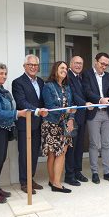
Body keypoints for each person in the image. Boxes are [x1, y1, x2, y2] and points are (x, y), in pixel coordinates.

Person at [0, 63, 27, 203]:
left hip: (3, 128)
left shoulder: (0, 89)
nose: (4, 76)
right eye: (1, 73)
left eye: (5, 74)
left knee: (0, 160)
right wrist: (18, 113)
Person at [82, 52, 109, 184]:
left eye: (106, 65)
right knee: (94, 144)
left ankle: (107, 172)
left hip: (107, 113)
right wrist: (99, 99)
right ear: (96, 62)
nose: (104, 67)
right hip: (94, 113)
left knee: (106, 144)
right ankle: (94, 172)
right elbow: (87, 91)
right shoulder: (87, 74)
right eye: (102, 64)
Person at [12, 54, 48, 194]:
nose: (33, 67)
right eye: (30, 65)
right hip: (25, 124)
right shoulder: (18, 82)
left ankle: (30, 178)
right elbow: (21, 102)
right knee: (25, 154)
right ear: (24, 66)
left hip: (38, 124)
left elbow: (42, 101)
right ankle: (24, 182)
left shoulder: (40, 82)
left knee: (34, 154)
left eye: (35, 65)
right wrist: (38, 111)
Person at [42, 61, 75, 193]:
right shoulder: (48, 86)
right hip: (51, 124)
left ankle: (56, 182)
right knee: (52, 154)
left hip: (65, 125)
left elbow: (71, 105)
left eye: (66, 69)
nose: (65, 70)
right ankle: (54, 182)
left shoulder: (67, 87)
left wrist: (71, 119)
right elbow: (50, 107)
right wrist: (67, 111)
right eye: (62, 68)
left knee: (62, 153)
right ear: (55, 69)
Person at [64, 56, 91, 186]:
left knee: (79, 146)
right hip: (71, 117)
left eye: (81, 63)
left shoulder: (81, 77)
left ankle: (77, 171)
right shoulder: (67, 76)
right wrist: (85, 103)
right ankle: (69, 175)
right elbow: (73, 95)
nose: (78, 65)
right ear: (71, 64)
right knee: (71, 147)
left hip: (82, 116)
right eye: (76, 63)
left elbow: (86, 92)